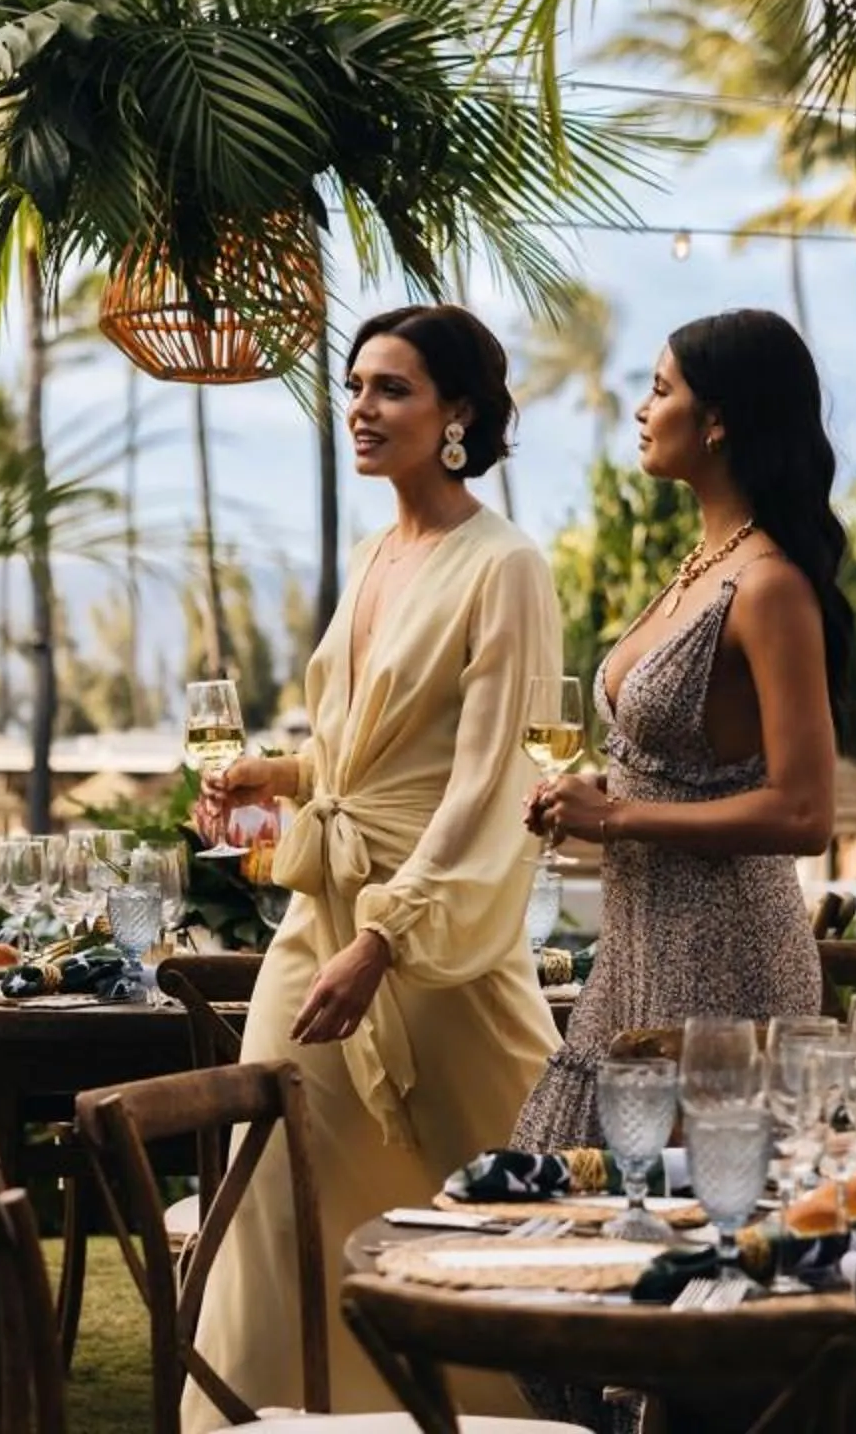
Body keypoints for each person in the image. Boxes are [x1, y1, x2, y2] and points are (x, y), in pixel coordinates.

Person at [184, 304, 563, 1425]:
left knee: (499, 1210)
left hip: (430, 948)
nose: (361, 407)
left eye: (392, 387)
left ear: (458, 413)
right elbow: (364, 755)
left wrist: (387, 935)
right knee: (267, 1204)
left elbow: (489, 782)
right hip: (318, 933)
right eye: (354, 385)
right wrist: (280, 775)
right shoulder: (373, 554)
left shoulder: (508, 567)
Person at [514, 308, 848, 1149]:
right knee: (586, 1203)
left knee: (691, 1237)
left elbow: (805, 815)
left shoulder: (769, 586)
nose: (641, 409)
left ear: (719, 421)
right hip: (636, 948)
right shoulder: (701, 566)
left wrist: (617, 818)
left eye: (660, 390)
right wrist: (599, 791)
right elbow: (695, 765)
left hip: (725, 960)